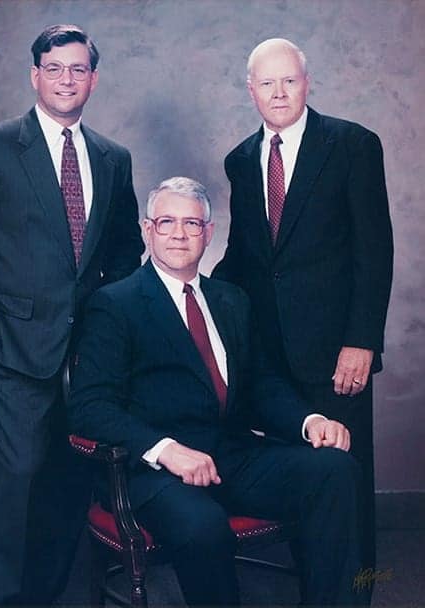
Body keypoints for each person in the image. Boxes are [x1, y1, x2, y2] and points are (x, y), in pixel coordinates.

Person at [69, 176, 368, 607]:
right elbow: (90, 407)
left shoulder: (231, 300)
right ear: (146, 230)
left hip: (230, 454)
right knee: (202, 524)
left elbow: (262, 386)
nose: (178, 234)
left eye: (192, 224)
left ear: (209, 234)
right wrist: (166, 449)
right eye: (166, 222)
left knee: (335, 471)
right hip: (152, 471)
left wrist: (310, 421)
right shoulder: (115, 303)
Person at [0, 24, 144, 606]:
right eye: (53, 68)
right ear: (35, 76)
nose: (65, 79)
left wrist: (112, 329)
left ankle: (50, 597)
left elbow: (124, 251)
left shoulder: (112, 157)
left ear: (93, 80)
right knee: (19, 480)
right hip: (11, 346)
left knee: (71, 481)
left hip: (86, 354)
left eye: (77, 69)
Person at [212, 38, 394, 582]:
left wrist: (362, 340)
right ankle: (315, 590)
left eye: (289, 80)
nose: (279, 92)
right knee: (302, 483)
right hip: (268, 361)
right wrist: (178, 287)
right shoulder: (242, 161)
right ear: (251, 91)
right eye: (267, 83)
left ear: (307, 83)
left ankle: (355, 593)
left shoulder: (352, 144)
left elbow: (374, 250)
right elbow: (245, 259)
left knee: (345, 483)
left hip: (335, 355)